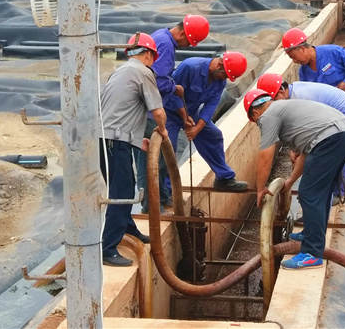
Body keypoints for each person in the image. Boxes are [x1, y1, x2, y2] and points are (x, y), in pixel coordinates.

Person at [244, 88, 345, 271]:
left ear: (255, 113)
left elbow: (265, 156)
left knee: (309, 194)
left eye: (256, 122)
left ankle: (312, 253)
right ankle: (310, 234)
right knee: (322, 190)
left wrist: (260, 189)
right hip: (344, 135)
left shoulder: (268, 116)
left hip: (331, 139)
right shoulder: (286, 108)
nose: (259, 124)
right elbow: (306, 152)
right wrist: (289, 180)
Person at [99, 32, 169, 267]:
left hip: (107, 139)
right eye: (153, 58)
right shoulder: (143, 72)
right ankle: (108, 248)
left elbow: (120, 112)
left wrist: (138, 141)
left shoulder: (121, 70)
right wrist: (163, 132)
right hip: (114, 142)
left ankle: (128, 229)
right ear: (148, 54)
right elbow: (157, 111)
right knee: (121, 192)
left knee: (123, 187)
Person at [137, 14, 210, 213]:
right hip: (147, 111)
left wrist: (183, 114)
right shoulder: (166, 44)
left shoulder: (163, 38)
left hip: (151, 108)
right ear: (181, 33)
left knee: (159, 160)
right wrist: (174, 87)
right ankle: (151, 207)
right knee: (150, 160)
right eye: (189, 41)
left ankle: (162, 198)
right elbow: (159, 81)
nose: (188, 46)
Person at [257, 72, 345, 203]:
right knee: (319, 160)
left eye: (272, 102)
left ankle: (333, 195)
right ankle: (325, 198)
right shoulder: (293, 91)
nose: (271, 108)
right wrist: (296, 150)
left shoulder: (300, 97)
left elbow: (314, 135)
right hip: (341, 120)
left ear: (280, 92)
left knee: (324, 165)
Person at [166, 51, 249, 191]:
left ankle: (224, 178)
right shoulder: (190, 67)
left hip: (191, 112)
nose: (224, 79)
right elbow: (171, 93)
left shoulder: (220, 81)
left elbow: (210, 106)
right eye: (225, 74)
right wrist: (184, 116)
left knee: (213, 135)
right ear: (219, 65)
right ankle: (166, 191)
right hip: (169, 111)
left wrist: (197, 128)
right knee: (168, 147)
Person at [281, 28, 345, 103]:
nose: (294, 61)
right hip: (328, 114)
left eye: (293, 56)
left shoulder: (332, 52)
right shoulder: (303, 72)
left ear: (302, 49)